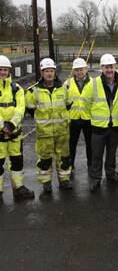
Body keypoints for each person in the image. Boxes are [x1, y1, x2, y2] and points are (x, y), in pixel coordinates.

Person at [26, 58, 71, 193]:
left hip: (62, 132)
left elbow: (68, 105)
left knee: (64, 158)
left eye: (51, 71)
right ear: (42, 72)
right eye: (46, 71)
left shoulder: (63, 89)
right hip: (44, 133)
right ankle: (46, 182)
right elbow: (30, 109)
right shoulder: (33, 91)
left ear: (55, 72)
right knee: (45, 159)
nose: (49, 74)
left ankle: (64, 180)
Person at [87, 53, 118, 192]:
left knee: (111, 154)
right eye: (106, 67)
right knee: (96, 155)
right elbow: (86, 104)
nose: (109, 70)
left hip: (115, 126)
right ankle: (96, 179)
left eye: (111, 67)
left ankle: (111, 174)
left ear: (115, 67)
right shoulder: (93, 83)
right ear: (101, 68)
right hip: (98, 127)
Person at [0, 56, 34, 200]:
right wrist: (3, 126)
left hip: (14, 134)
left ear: (9, 71)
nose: (2, 72)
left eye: (5, 70)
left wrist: (11, 125)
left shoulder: (17, 89)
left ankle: (18, 187)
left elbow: (21, 109)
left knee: (17, 161)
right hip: (0, 134)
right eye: (0, 70)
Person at [64, 58, 92, 173]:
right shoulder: (67, 83)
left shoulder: (93, 83)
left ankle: (91, 166)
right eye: (77, 70)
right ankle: (71, 165)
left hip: (88, 118)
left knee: (90, 144)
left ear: (86, 69)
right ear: (74, 71)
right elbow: (63, 102)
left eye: (81, 69)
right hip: (73, 119)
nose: (79, 72)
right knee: (71, 145)